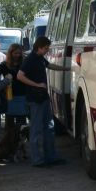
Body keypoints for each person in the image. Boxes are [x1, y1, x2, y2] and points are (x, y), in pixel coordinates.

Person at [17, 36, 69, 167]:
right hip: (35, 100)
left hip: (43, 98)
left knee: (49, 127)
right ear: (39, 47)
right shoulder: (30, 60)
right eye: (46, 48)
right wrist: (36, 85)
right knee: (36, 130)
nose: (47, 50)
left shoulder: (40, 58)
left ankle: (51, 157)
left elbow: (49, 65)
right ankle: (37, 160)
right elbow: (19, 76)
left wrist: (67, 69)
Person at [0, 43, 27, 161]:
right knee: (9, 126)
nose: (17, 55)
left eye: (19, 53)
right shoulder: (4, 65)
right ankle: (8, 150)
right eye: (15, 53)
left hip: (22, 96)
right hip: (9, 97)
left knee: (22, 126)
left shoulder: (24, 63)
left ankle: (21, 151)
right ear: (10, 53)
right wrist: (2, 86)